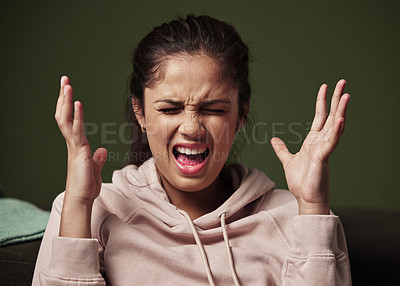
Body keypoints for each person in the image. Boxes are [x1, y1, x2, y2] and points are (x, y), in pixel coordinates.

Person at [32, 15, 351, 285]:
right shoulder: (87, 208)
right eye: (170, 109)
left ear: (241, 113)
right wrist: (76, 205)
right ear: (140, 112)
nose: (192, 128)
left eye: (213, 109)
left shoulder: (296, 216)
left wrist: (312, 206)